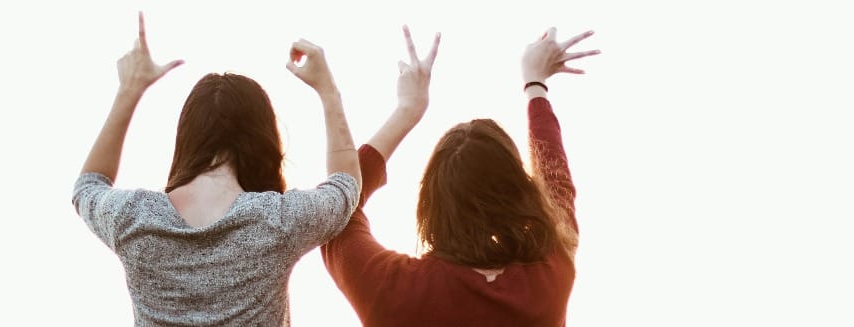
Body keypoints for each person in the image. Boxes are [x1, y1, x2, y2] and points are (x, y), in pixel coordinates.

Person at [72, 12, 361, 326]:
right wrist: (328, 91)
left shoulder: (132, 217)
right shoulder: (277, 221)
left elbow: (88, 186)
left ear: (186, 138)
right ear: (265, 142)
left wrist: (129, 90)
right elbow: (345, 186)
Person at [320, 26, 599, 326]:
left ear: (431, 199)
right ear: (519, 193)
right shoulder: (548, 280)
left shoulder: (396, 289)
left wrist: (407, 110)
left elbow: (338, 208)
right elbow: (557, 185)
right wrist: (535, 84)